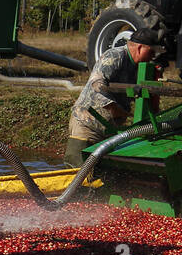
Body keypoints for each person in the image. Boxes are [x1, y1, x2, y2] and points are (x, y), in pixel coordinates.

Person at [66, 29, 161, 168]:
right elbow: (97, 85)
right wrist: (117, 110)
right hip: (88, 125)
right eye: (152, 52)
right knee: (78, 171)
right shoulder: (114, 56)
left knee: (104, 175)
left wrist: (155, 78)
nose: (153, 57)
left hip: (111, 130)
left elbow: (151, 103)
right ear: (140, 48)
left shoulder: (140, 68)